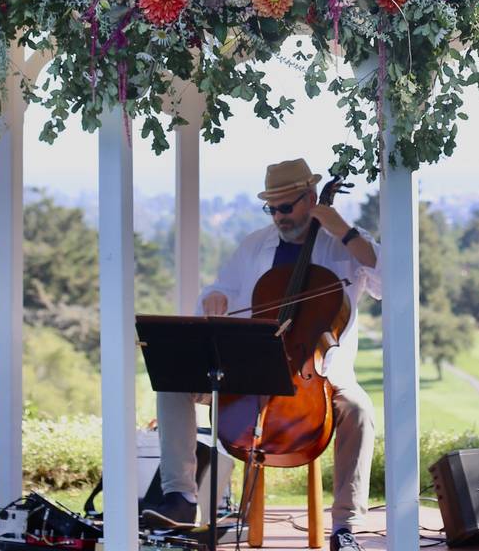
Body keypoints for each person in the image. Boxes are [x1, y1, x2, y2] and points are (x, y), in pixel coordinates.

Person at [145, 158, 382, 551]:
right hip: (252, 370)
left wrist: (345, 230)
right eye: (271, 209)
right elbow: (220, 286)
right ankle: (181, 499)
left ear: (311, 199)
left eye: (286, 207)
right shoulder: (255, 245)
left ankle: (346, 527)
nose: (278, 217)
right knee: (173, 383)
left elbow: (386, 280)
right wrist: (214, 297)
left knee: (359, 409)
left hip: (321, 375)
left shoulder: (341, 248)